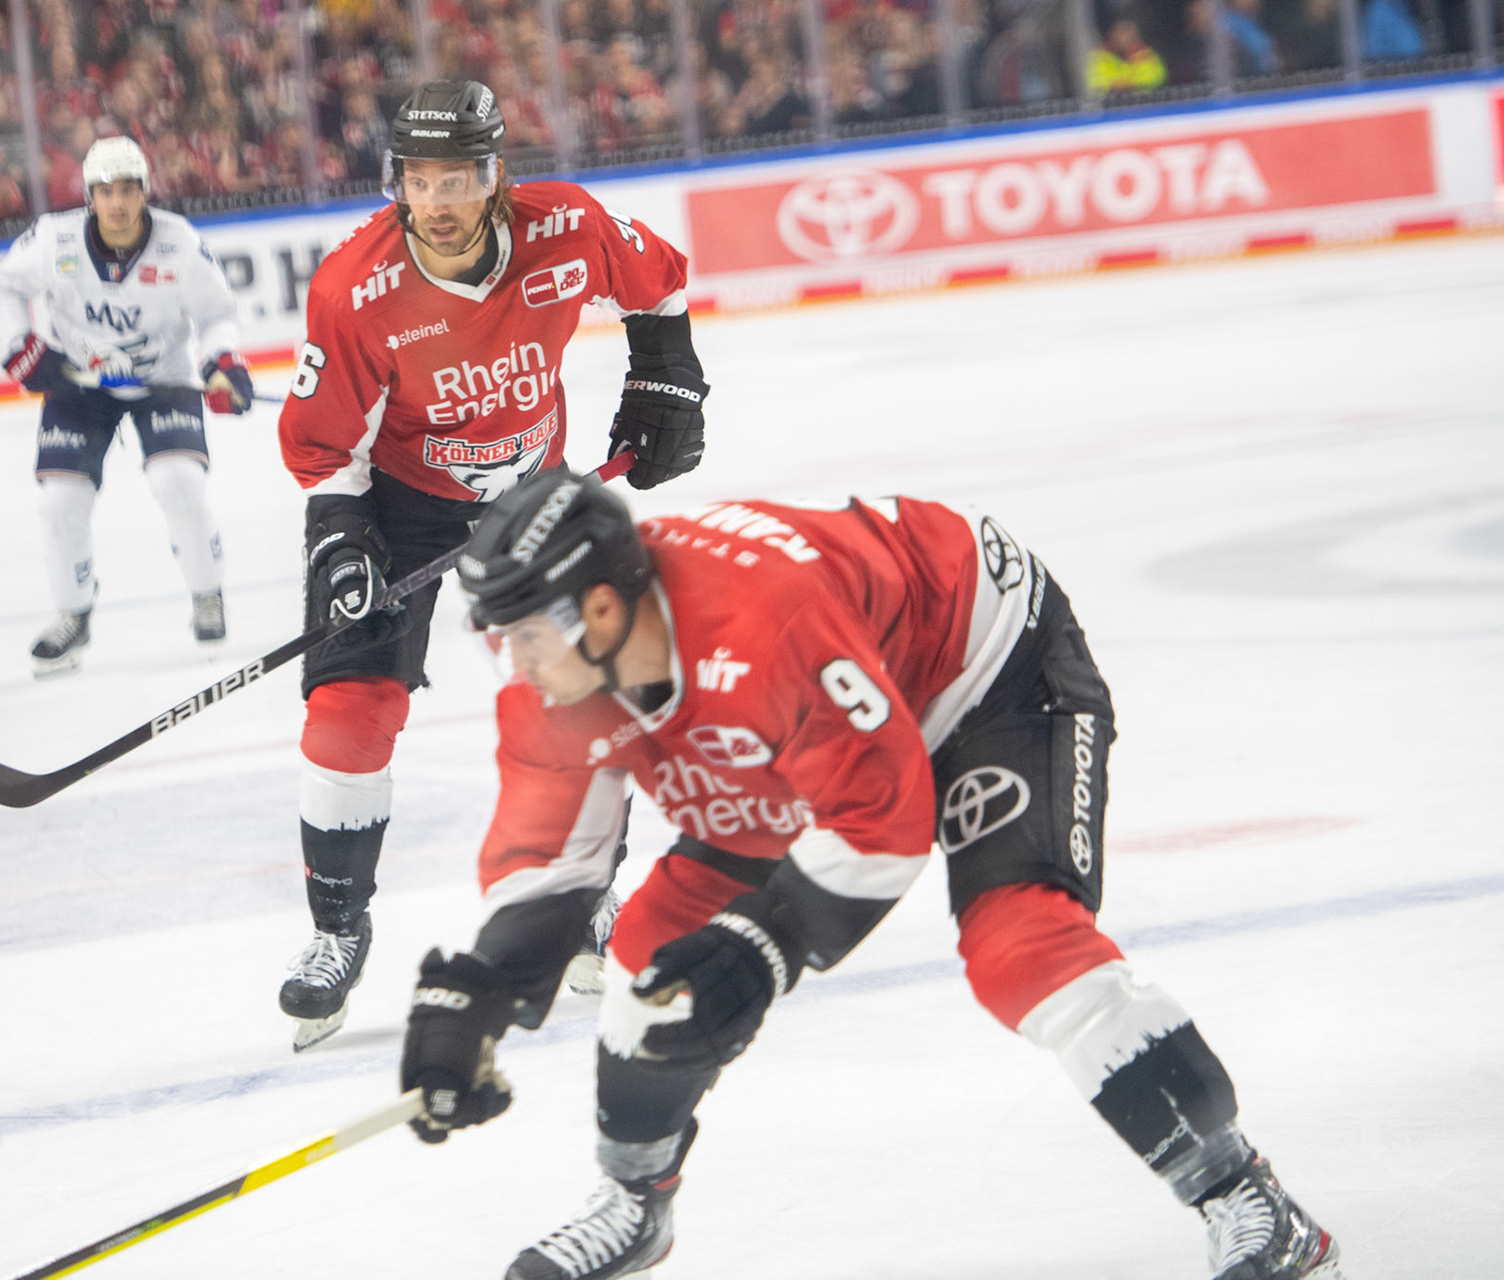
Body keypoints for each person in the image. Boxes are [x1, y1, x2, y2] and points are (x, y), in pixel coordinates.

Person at [397, 470, 1345, 1280]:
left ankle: (1248, 1196)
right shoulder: (558, 680)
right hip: (806, 725)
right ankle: (635, 1202)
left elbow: (879, 818)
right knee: (654, 961)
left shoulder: (763, 618)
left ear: (599, 608)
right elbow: (550, 867)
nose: (511, 665)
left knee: (1022, 946)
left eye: (522, 635)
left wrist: (762, 949)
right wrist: (478, 992)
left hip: (978, 674)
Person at [272, 78, 709, 1051]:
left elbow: (660, 278)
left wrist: (665, 378)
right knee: (348, 713)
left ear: (495, 174)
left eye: (460, 177)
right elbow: (323, 446)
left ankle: (589, 896)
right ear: (398, 183)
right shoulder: (355, 287)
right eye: (419, 180)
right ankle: (337, 930)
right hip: (402, 503)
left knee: (587, 687)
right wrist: (343, 539)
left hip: (538, 492)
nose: (440, 201)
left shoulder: (566, 228)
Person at [0, 136, 255, 678]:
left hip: (164, 378)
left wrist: (223, 361)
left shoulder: (179, 244)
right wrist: (22, 348)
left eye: (129, 189)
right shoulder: (53, 239)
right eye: (107, 191)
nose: (118, 203)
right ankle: (73, 614)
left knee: (179, 484)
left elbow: (217, 313)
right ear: (90, 195)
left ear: (144, 192)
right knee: (60, 502)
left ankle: (207, 593)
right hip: (78, 381)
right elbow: (1, 287)